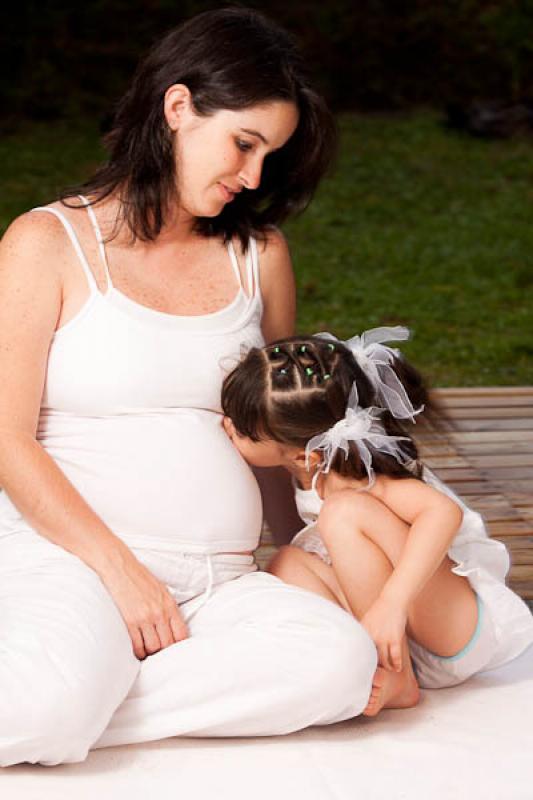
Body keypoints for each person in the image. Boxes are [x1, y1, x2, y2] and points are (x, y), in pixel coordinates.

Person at [0, 8, 378, 767]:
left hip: (220, 579)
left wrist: (297, 555)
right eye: (244, 143)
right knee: (42, 706)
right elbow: (5, 440)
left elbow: (274, 433)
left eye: (270, 154)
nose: (254, 176)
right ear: (177, 108)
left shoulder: (257, 254)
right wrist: (122, 575)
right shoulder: (46, 243)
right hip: (74, 563)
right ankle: (66, 695)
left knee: (337, 661)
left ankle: (93, 705)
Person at [221, 327, 533, 715]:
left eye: (242, 428)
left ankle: (397, 678)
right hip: (401, 635)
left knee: (344, 512)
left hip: (451, 627)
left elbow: (442, 513)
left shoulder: (358, 476)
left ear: (304, 457)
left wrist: (392, 603)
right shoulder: (312, 463)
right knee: (286, 561)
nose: (226, 425)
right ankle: (364, 660)